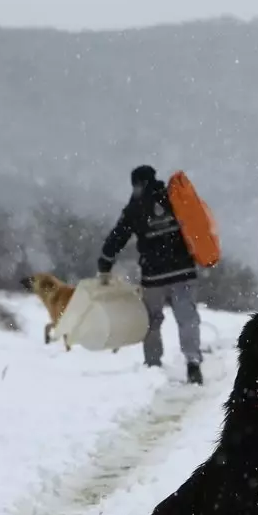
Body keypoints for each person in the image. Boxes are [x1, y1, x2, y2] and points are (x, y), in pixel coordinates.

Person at [97, 164, 203, 385]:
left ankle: (153, 365)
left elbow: (118, 236)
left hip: (154, 277)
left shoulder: (136, 207)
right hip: (183, 272)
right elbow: (196, 222)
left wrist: (105, 261)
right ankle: (193, 363)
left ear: (138, 184)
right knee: (187, 319)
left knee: (151, 321)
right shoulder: (174, 198)